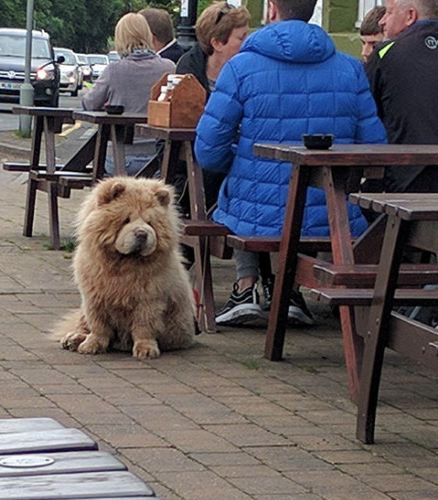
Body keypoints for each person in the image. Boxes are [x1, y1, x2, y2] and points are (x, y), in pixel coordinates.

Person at [194, 0, 387, 327]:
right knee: (308, 208)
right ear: (311, 9)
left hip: (254, 207)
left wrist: (242, 163)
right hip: (328, 210)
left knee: (238, 198)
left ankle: (247, 285)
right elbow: (374, 146)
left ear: (271, 8)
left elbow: (208, 148)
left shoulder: (241, 68)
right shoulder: (350, 68)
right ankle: (293, 291)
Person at [175, 1, 251, 213]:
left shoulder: (248, 71)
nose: (248, 42)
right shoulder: (187, 70)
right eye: (241, 37)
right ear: (217, 43)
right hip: (195, 161)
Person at [82, 13, 175, 175]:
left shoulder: (114, 71)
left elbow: (89, 104)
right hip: (159, 158)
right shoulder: (169, 69)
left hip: (120, 158)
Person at [365, 0, 438, 192]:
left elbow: (365, 114)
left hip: (407, 179)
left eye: (389, 12)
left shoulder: (386, 53)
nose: (382, 21)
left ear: (410, 16)